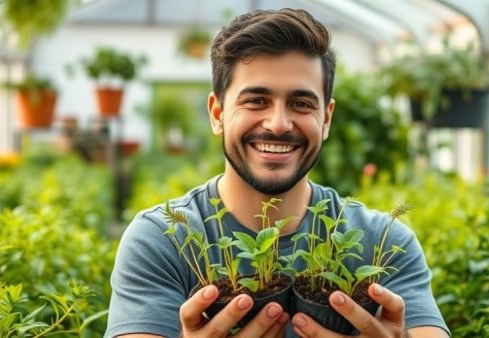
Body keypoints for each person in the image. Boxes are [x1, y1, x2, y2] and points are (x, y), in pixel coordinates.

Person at [105, 8, 450, 338]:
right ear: (217, 114)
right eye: (256, 101)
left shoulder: (384, 242)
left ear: (326, 119)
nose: (279, 124)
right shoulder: (162, 241)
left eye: (301, 104)